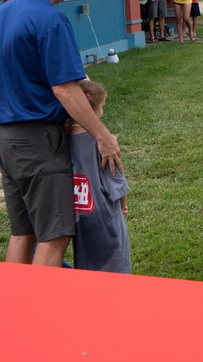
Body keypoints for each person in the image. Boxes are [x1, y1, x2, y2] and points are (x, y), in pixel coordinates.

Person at [0, 0, 122, 267]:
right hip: (39, 143)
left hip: (5, 141)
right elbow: (66, 90)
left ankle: (12, 308)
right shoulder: (51, 20)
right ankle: (35, 314)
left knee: (22, 233)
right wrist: (103, 136)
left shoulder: (2, 14)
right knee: (54, 236)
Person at [70, 79, 131, 273]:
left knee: (86, 268)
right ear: (94, 110)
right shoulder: (103, 144)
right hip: (106, 219)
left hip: (79, 217)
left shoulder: (61, 139)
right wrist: (124, 205)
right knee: (115, 264)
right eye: (103, 106)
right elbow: (117, 182)